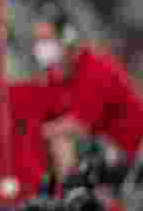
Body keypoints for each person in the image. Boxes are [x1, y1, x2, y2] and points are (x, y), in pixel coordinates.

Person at [35, 13, 143, 185]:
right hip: (101, 151)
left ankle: (71, 197)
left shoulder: (95, 69)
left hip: (130, 151)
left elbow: (80, 125)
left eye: (47, 39)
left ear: (66, 38)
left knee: (61, 140)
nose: (41, 47)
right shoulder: (54, 76)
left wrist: (38, 131)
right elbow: (45, 113)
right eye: (39, 40)